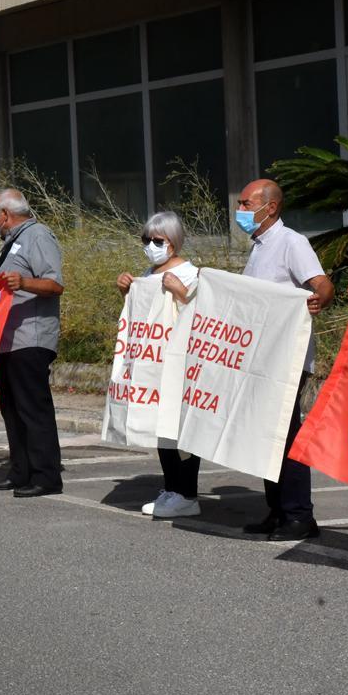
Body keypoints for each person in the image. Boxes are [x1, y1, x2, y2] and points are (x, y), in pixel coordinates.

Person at [236, 178, 334, 540]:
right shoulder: (259, 247)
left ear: (270, 207)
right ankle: (277, 510)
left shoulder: (292, 242)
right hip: (261, 357)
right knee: (266, 437)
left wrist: (318, 299)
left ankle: (299, 515)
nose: (241, 211)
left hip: (286, 359)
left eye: (246, 204)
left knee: (287, 437)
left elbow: (322, 284)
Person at [115, 211, 200, 518]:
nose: (150, 245)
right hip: (153, 363)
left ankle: (187, 493)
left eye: (157, 240)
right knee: (160, 428)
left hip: (179, 362)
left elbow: (203, 313)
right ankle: (173, 488)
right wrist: (128, 290)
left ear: (173, 243)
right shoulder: (148, 274)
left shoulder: (192, 274)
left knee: (180, 429)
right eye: (146, 239)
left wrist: (181, 291)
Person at [0, 189, 65, 498]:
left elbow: (55, 283)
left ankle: (46, 476)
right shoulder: (12, 242)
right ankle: (20, 471)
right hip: (8, 340)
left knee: (33, 409)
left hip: (31, 338)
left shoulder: (37, 236)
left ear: (5, 215)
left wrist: (24, 283)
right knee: (12, 409)